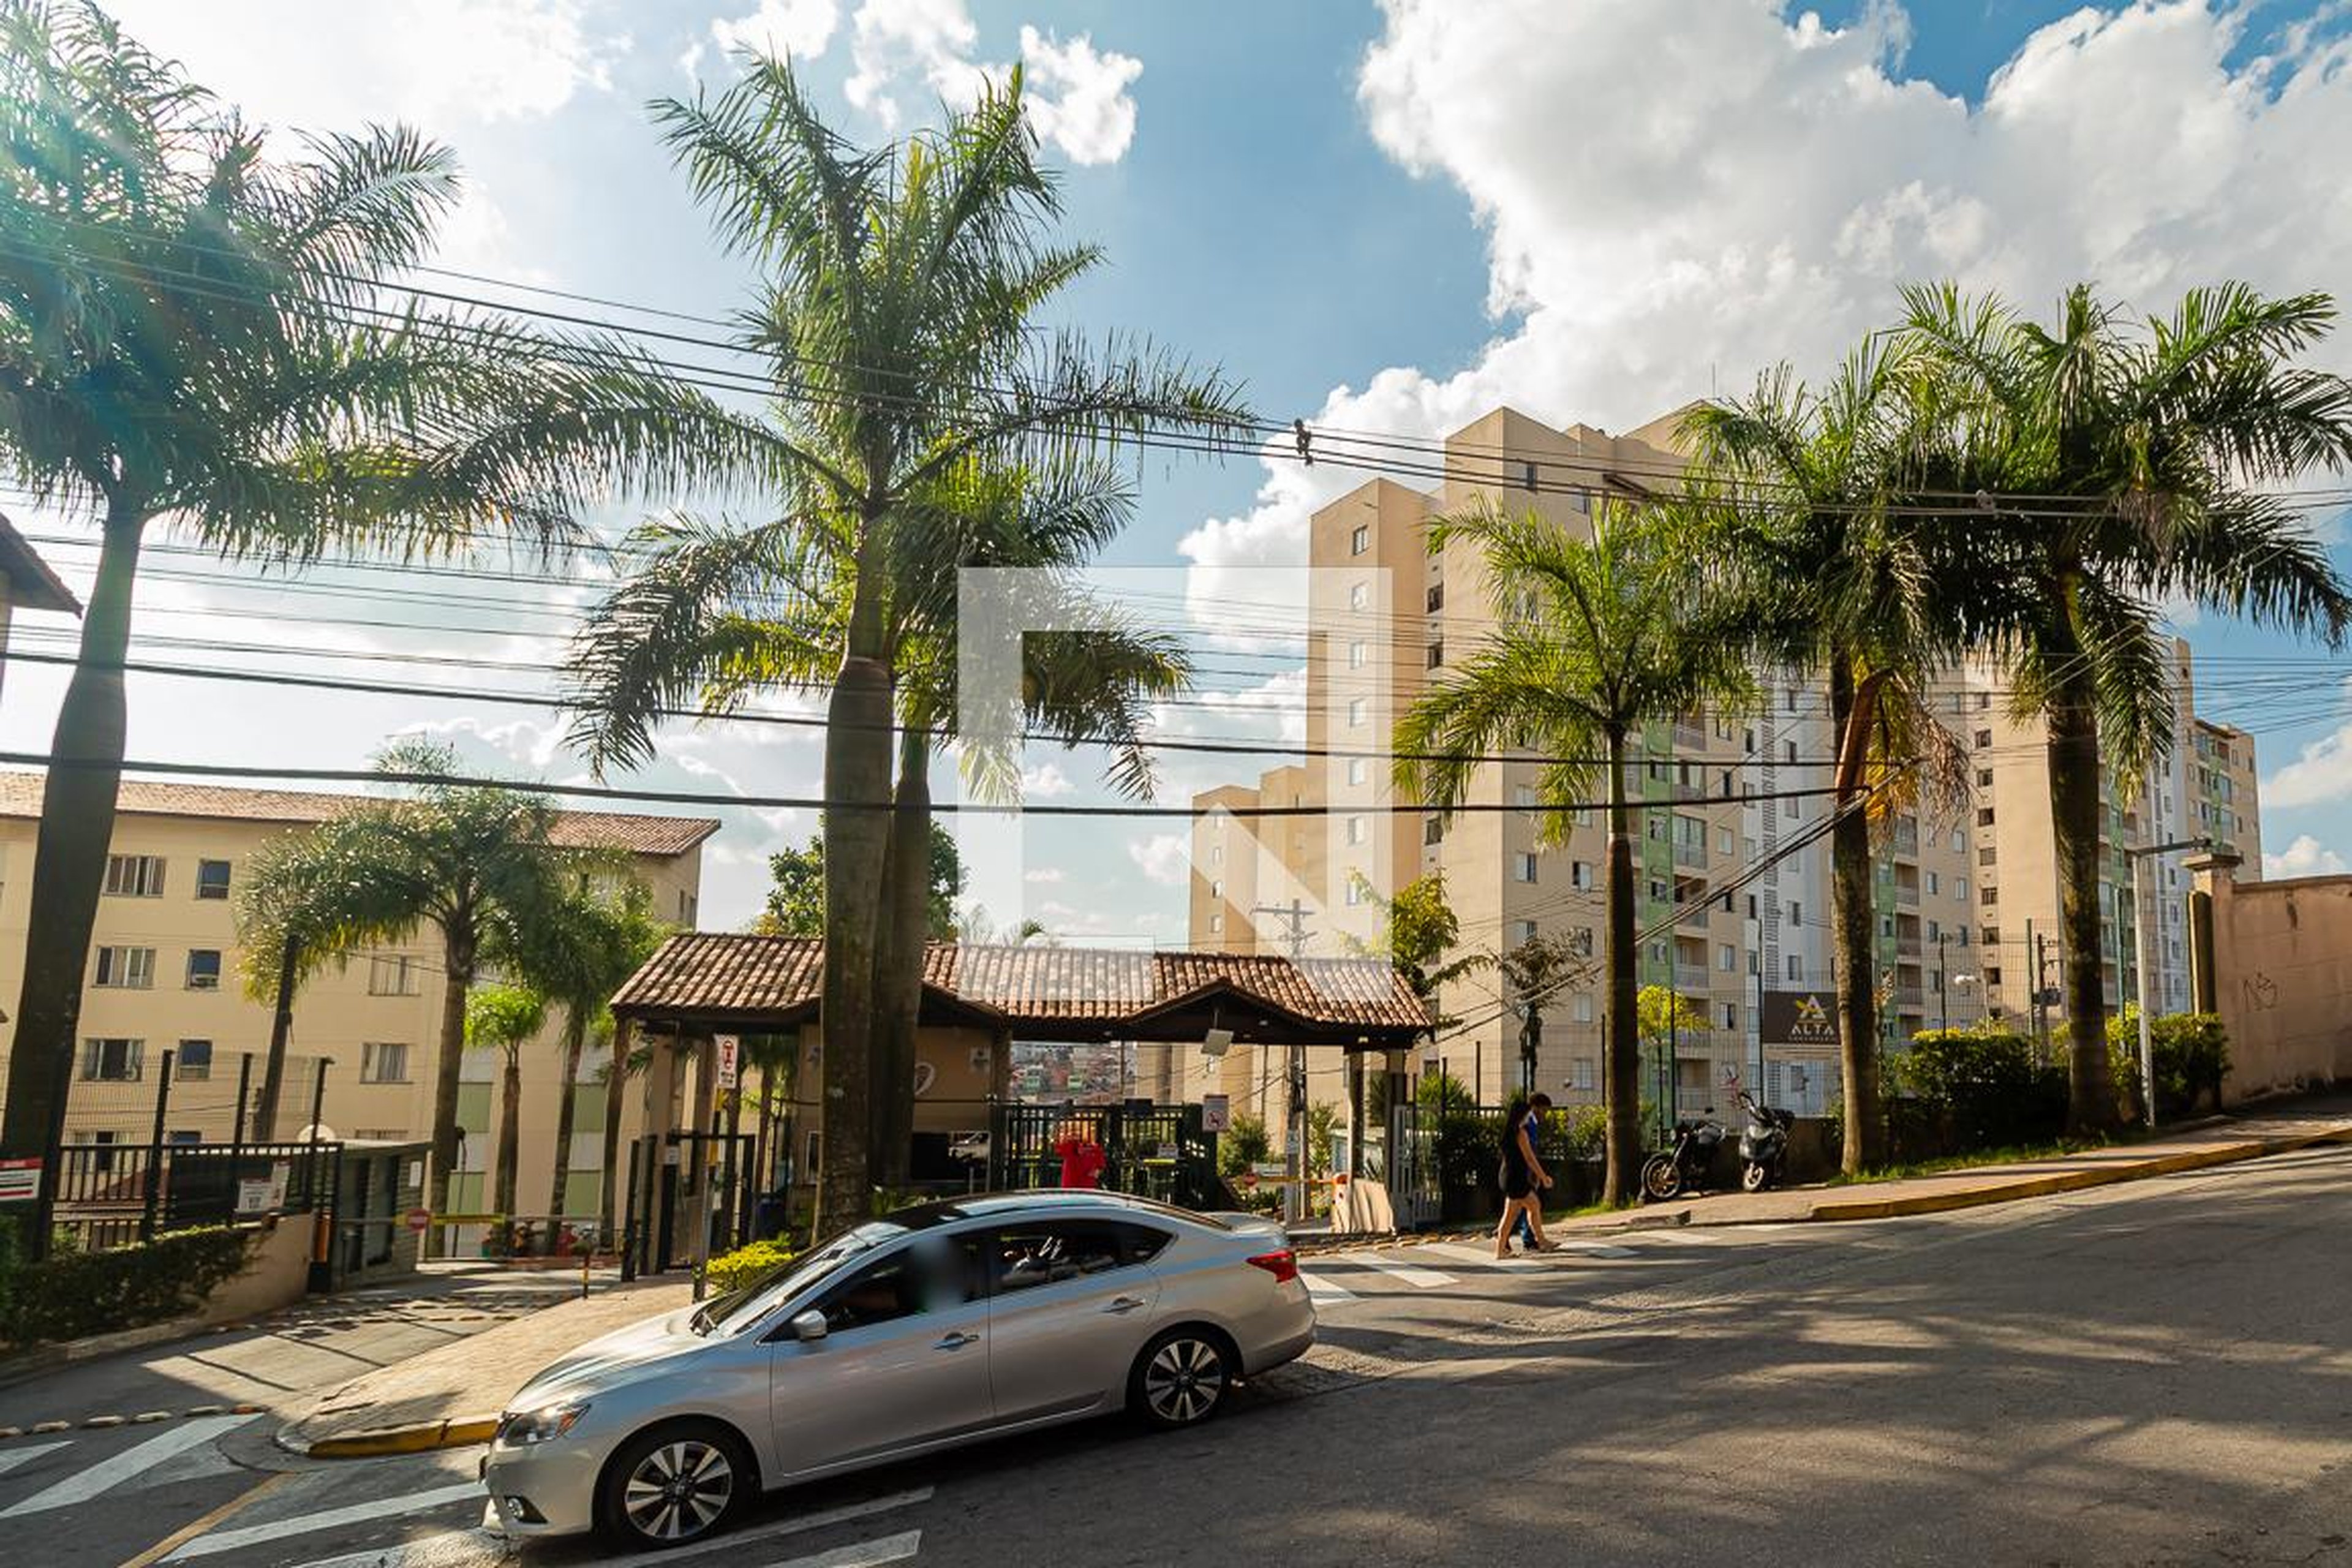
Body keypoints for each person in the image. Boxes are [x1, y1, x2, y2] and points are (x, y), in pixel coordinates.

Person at [1496, 1093, 1554, 1258]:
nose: (1530, 1117)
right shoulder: (1521, 1133)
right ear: (1522, 1115)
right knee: (1521, 1212)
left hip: (1509, 1177)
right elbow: (1530, 1158)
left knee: (1523, 1210)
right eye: (1528, 1115)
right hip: (1516, 1179)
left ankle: (1503, 1250)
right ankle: (1538, 1241)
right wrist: (1544, 1177)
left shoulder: (1508, 1132)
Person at [1054, 1119, 1106, 1189]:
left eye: (1078, 1130)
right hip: (1070, 1184)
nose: (1076, 1133)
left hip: (1087, 1185)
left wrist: (1095, 1172)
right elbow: (1059, 1150)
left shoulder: (1095, 1148)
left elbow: (1100, 1166)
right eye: (1073, 1130)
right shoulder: (1069, 1144)